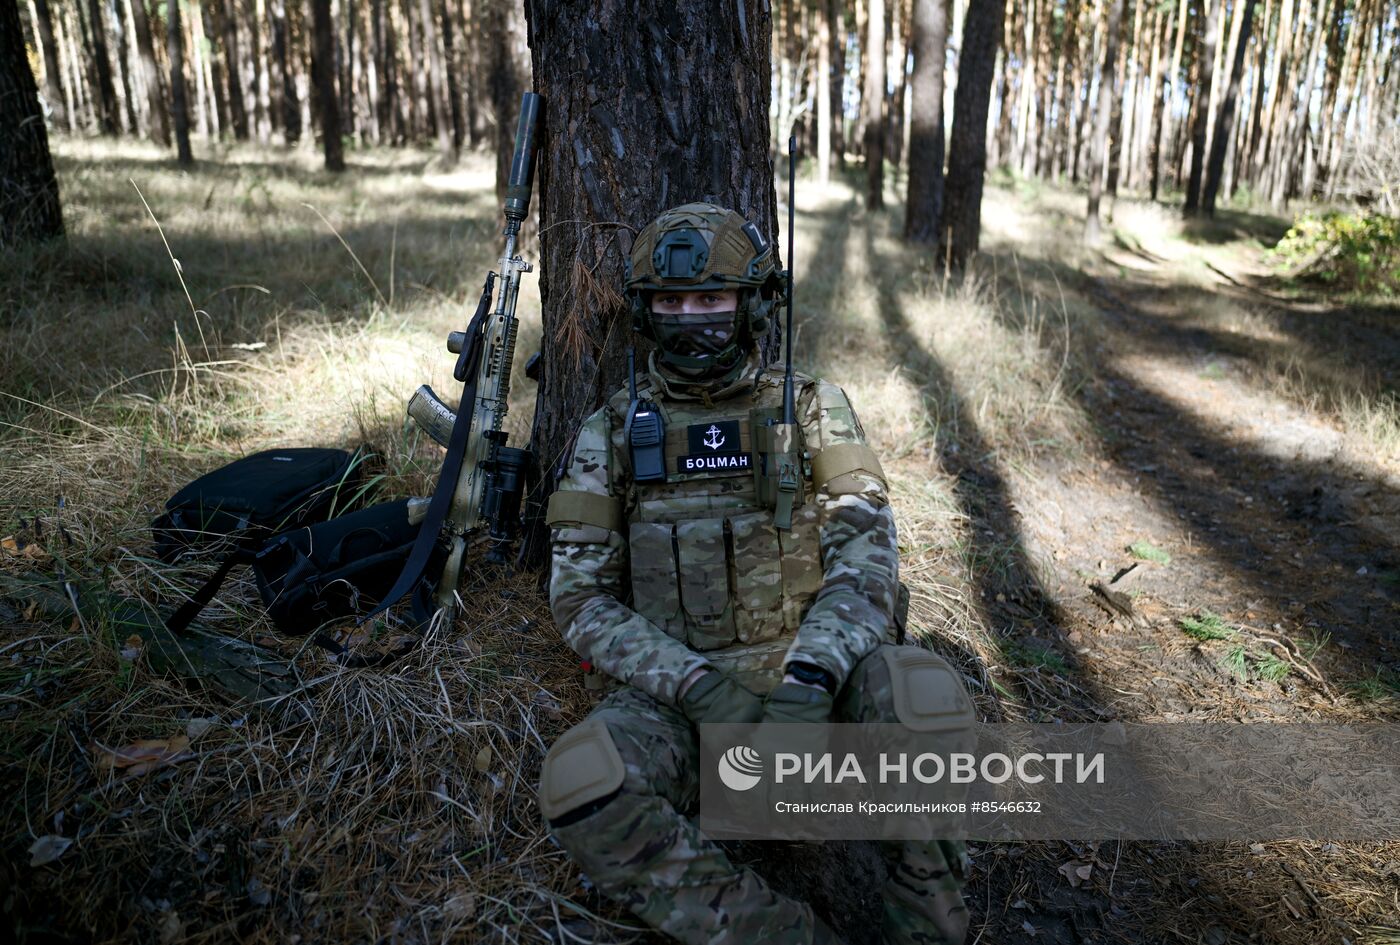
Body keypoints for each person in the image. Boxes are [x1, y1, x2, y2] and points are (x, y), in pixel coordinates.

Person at [538, 202, 975, 945]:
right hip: (681, 709)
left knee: (925, 698)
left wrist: (808, 683)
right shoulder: (609, 432)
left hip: (822, 694)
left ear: (755, 302)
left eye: (712, 296)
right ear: (646, 312)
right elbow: (579, 597)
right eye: (672, 300)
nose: (691, 316)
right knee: (586, 781)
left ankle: (927, 930)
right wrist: (702, 690)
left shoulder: (813, 409)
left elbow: (866, 564)